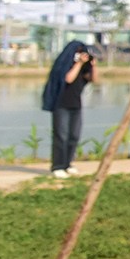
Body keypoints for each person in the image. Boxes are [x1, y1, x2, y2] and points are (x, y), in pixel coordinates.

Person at [40, 40, 96, 177]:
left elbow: (93, 79)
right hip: (61, 105)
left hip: (76, 105)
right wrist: (79, 63)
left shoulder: (83, 68)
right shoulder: (64, 65)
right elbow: (69, 78)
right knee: (61, 136)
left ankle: (68, 163)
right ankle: (57, 166)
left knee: (74, 136)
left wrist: (93, 66)